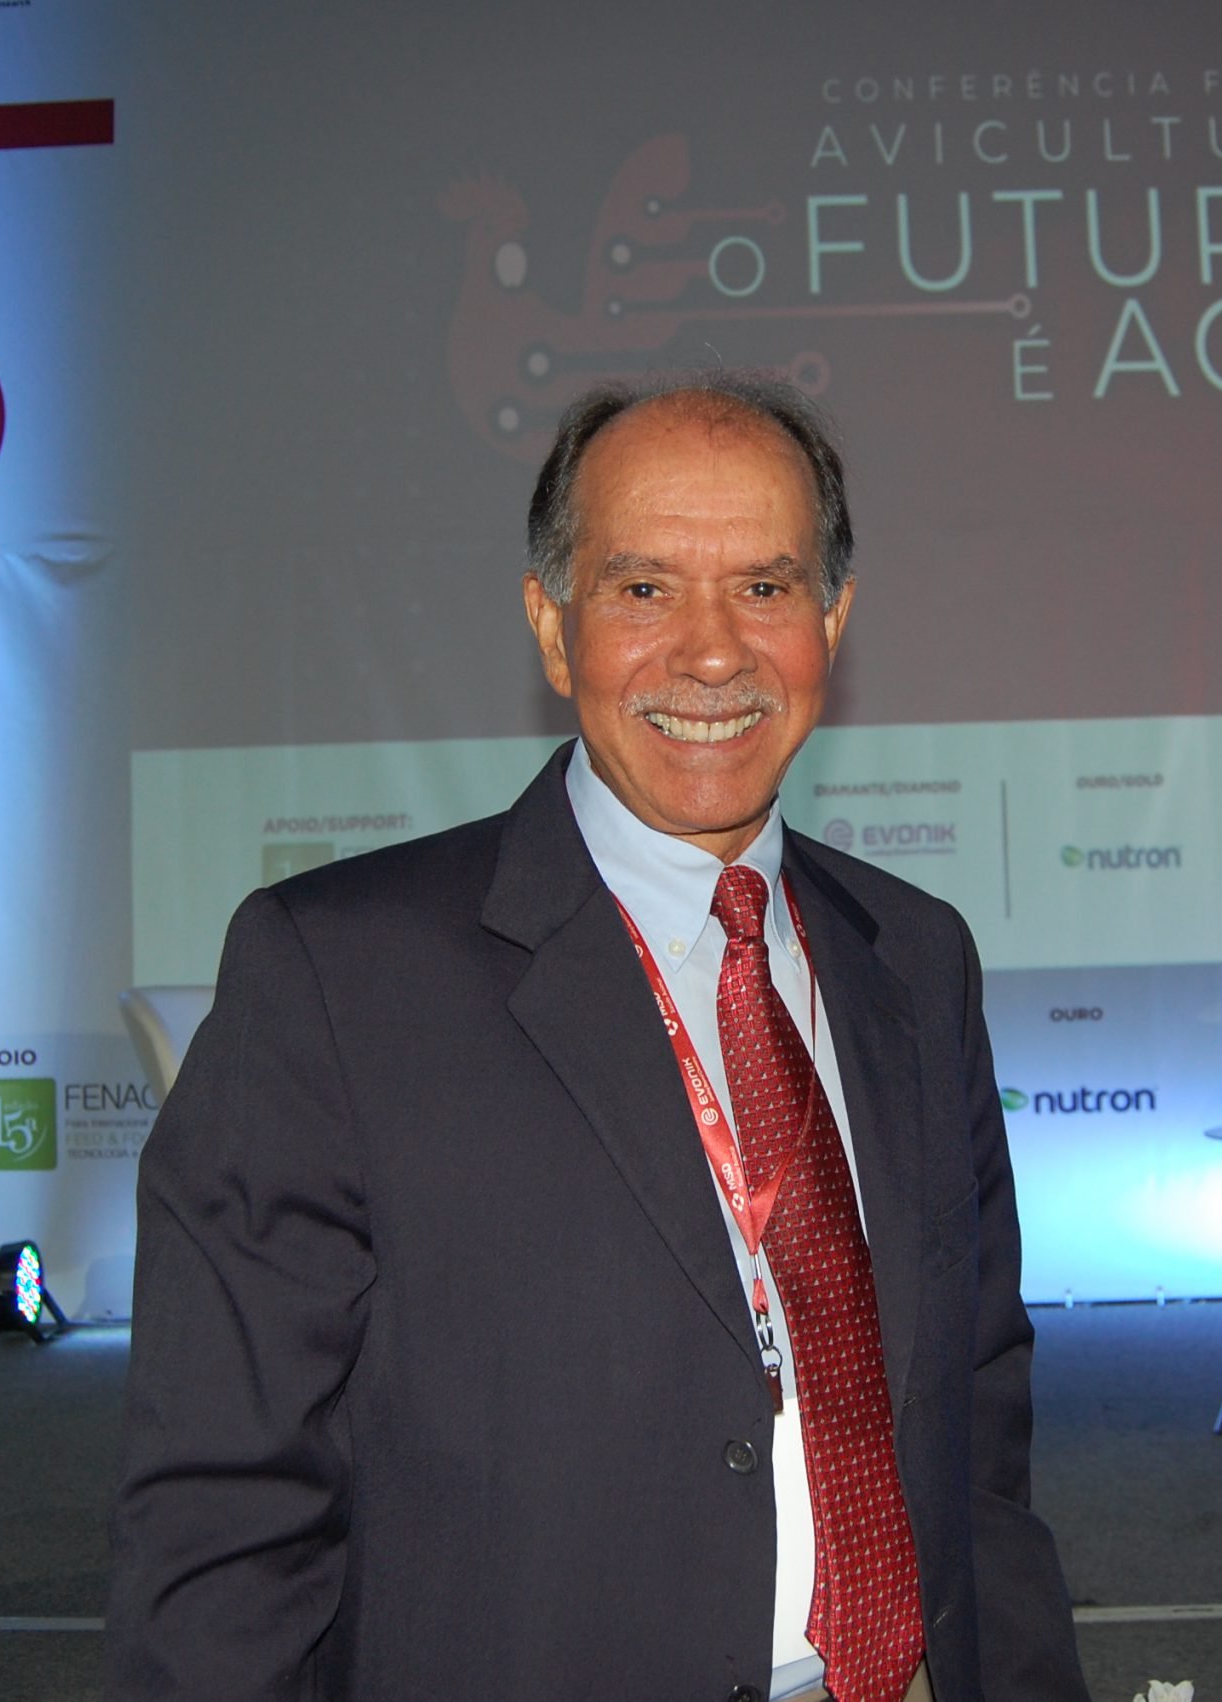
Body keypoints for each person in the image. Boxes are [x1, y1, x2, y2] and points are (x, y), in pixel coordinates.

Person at [105, 375, 1090, 1702]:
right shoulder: (336, 977)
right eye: (643, 588)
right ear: (551, 627)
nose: (712, 652)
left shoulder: (916, 957)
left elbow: (978, 1417)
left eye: (765, 586)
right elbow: (224, 1513)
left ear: (832, 621)